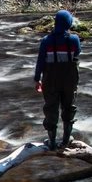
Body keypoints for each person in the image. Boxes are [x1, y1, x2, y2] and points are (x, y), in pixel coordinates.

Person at [34, 10, 81, 150]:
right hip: (69, 80)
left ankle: (52, 142)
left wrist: (37, 79)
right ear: (68, 23)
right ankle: (66, 140)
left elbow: (40, 62)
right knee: (69, 108)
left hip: (50, 80)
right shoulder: (74, 39)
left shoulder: (46, 41)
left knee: (51, 109)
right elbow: (77, 52)